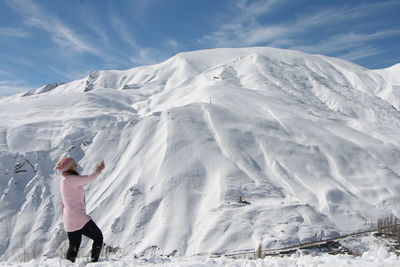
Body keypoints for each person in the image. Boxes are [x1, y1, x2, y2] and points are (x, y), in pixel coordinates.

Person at [56, 157, 105, 263]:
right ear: (69, 167)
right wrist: (99, 170)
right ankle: (94, 263)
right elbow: (89, 179)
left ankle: (68, 265)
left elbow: (63, 203)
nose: (76, 165)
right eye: (74, 164)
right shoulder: (70, 179)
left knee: (74, 246)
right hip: (79, 218)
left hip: (69, 219)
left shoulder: (64, 181)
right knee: (98, 237)